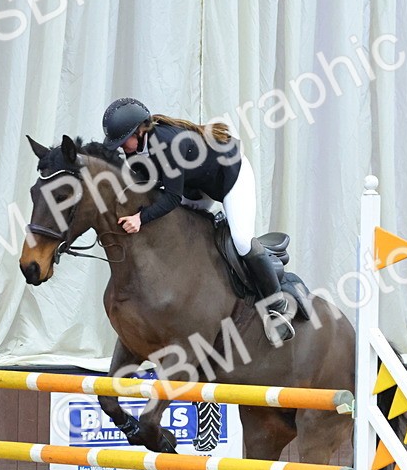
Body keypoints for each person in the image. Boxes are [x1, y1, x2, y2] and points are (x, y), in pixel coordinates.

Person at [101, 97, 294, 342]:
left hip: (230, 178)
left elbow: (170, 198)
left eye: (122, 141)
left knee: (242, 241)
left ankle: (277, 304)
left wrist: (140, 218)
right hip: (196, 186)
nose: (121, 147)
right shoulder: (136, 150)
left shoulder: (167, 143)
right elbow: (147, 187)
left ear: (139, 131)